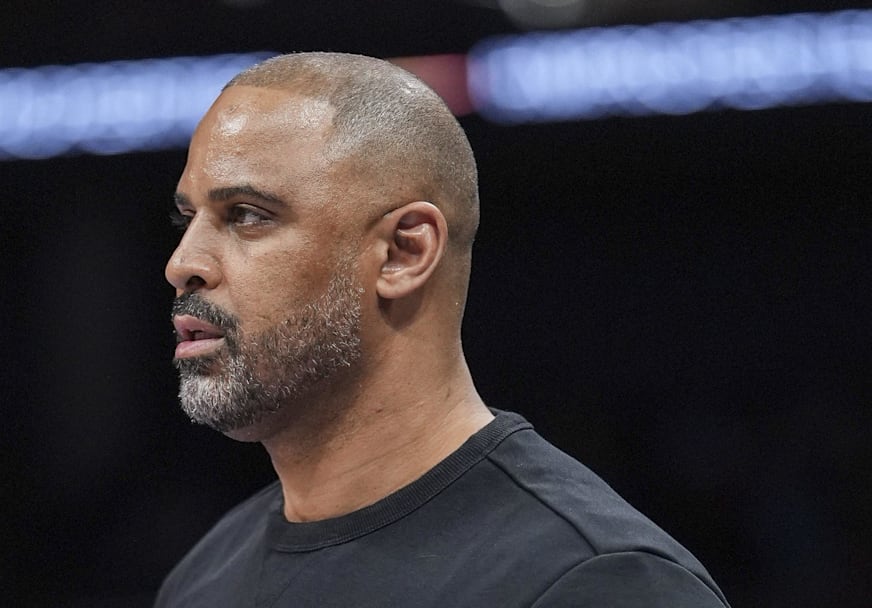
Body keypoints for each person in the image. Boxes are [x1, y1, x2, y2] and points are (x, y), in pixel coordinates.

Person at [156, 52, 730, 607]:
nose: (182, 263)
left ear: (403, 253)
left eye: (247, 215)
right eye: (188, 218)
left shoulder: (599, 581)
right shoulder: (204, 576)